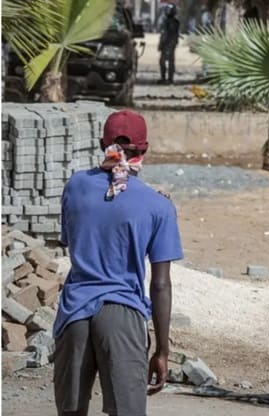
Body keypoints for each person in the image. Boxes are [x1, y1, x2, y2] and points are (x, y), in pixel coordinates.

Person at [53, 110, 183, 416]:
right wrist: (162, 350)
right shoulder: (159, 206)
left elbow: (70, 240)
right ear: (145, 149)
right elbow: (160, 284)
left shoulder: (75, 186)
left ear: (102, 143)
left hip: (74, 312)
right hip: (122, 313)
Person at [158, 3, 180, 85]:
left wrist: (162, 44)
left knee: (163, 61)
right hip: (172, 43)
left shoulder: (167, 22)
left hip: (167, 43)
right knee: (170, 61)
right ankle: (169, 78)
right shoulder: (176, 22)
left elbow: (165, 34)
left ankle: (165, 78)